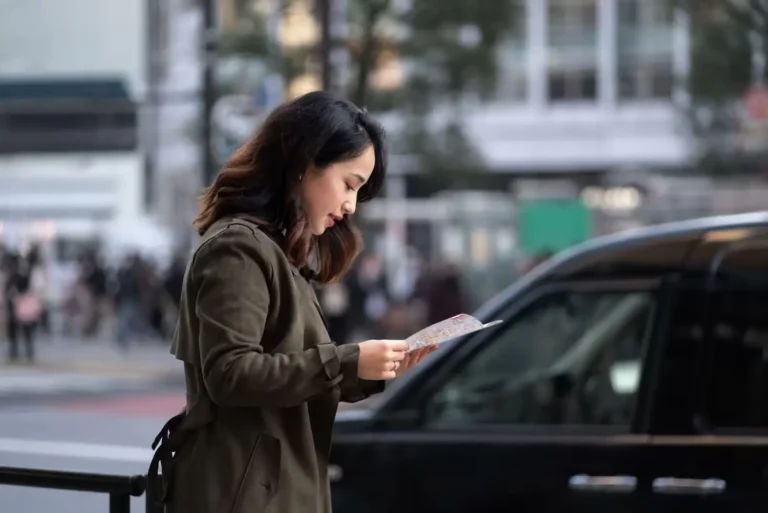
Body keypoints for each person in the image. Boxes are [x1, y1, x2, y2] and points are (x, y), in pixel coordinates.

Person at [148, 91, 437, 513]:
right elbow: (230, 373)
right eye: (348, 184)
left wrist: (373, 368)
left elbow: (294, 373)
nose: (350, 205)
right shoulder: (238, 249)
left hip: (272, 488)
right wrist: (346, 361)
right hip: (241, 493)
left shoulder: (279, 253)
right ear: (304, 163)